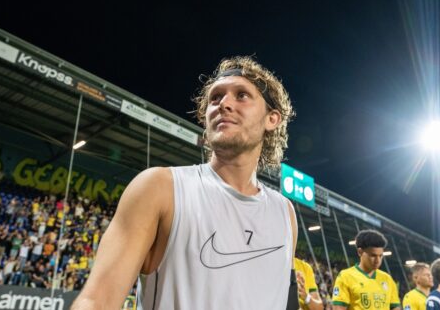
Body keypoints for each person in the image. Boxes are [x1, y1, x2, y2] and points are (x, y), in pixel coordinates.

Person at [72, 56, 297, 309]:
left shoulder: (285, 212)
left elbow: (287, 301)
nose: (224, 104)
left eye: (242, 95)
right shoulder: (159, 188)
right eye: (216, 97)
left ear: (272, 119)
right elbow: (96, 300)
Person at [333, 229, 401, 310]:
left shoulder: (387, 279)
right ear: (360, 252)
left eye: (380, 256)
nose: (377, 260)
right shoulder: (346, 277)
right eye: (373, 255)